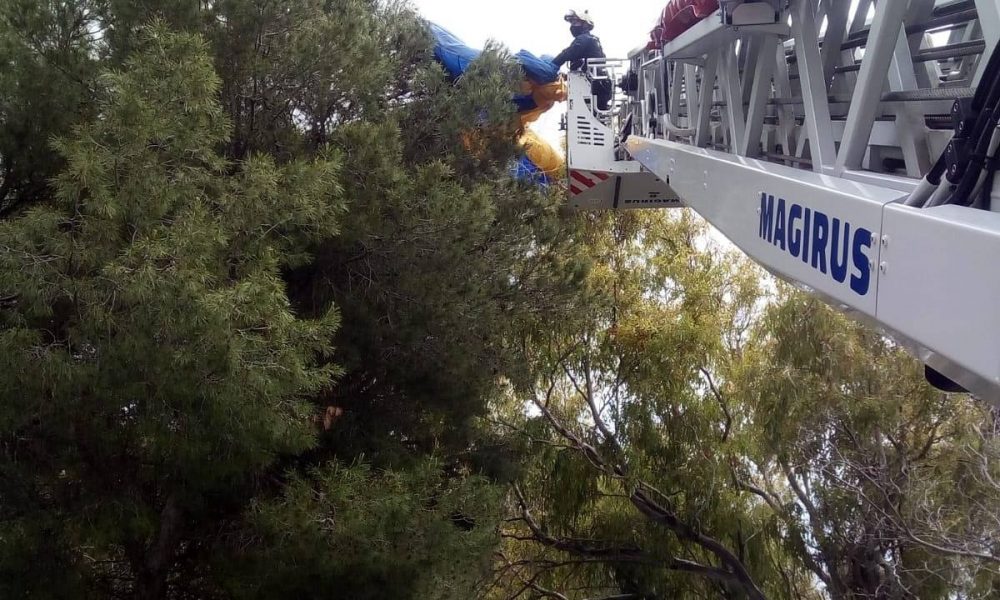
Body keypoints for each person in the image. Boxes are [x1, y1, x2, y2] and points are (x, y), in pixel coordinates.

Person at [553, 9, 613, 111]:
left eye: (575, 22)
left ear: (585, 25)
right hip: (599, 87)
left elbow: (569, 53)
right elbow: (582, 64)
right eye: (571, 23)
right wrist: (567, 76)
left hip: (595, 88)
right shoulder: (593, 40)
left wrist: (552, 65)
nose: (572, 26)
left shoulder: (584, 39)